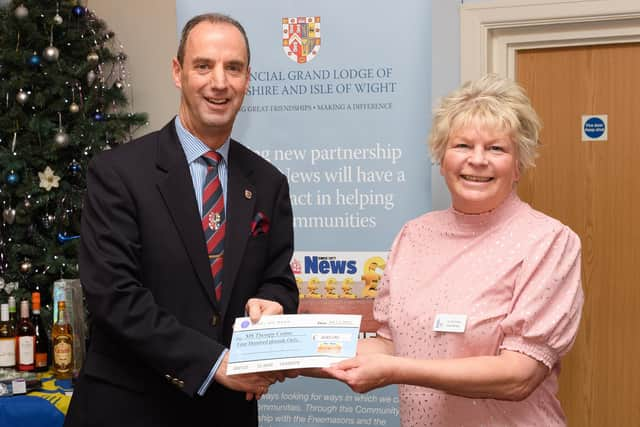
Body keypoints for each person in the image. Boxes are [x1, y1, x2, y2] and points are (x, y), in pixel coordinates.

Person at [64, 13, 298, 427]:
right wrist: (214, 362)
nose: (219, 82)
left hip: (226, 414)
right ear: (178, 72)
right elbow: (115, 296)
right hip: (130, 409)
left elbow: (278, 277)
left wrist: (274, 301)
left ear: (247, 79)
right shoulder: (118, 173)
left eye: (234, 68)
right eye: (203, 65)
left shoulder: (267, 183)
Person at [323, 74, 584, 426]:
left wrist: (397, 370)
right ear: (442, 157)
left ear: (519, 165)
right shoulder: (414, 235)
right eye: (462, 146)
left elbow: (519, 374)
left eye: (496, 148)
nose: (477, 160)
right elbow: (389, 345)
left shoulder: (549, 241)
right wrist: (284, 356)